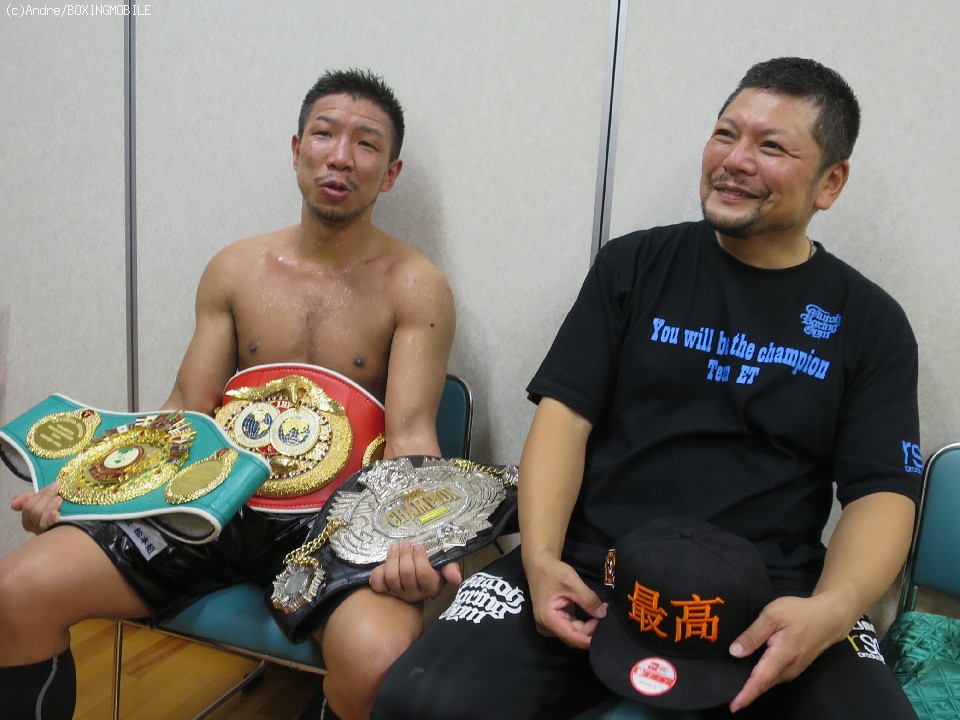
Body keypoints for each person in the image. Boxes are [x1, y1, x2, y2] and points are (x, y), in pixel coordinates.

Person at [373, 57, 922, 719]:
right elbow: (564, 421)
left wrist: (832, 609)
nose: (735, 160)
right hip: (596, 573)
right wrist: (540, 559)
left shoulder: (870, 322)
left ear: (830, 182)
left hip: (772, 598)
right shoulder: (632, 266)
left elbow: (882, 493)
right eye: (725, 134)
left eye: (771, 147)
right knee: (420, 701)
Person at [0, 68, 458, 720]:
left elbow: (410, 435)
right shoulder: (236, 269)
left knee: (378, 660)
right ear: (296, 149)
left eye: (366, 143)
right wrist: (84, 489)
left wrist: (414, 542)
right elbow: (185, 409)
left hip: (335, 524)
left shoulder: (415, 285)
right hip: (206, 505)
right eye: (324, 134)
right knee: (15, 590)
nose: (340, 156)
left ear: (390, 173)